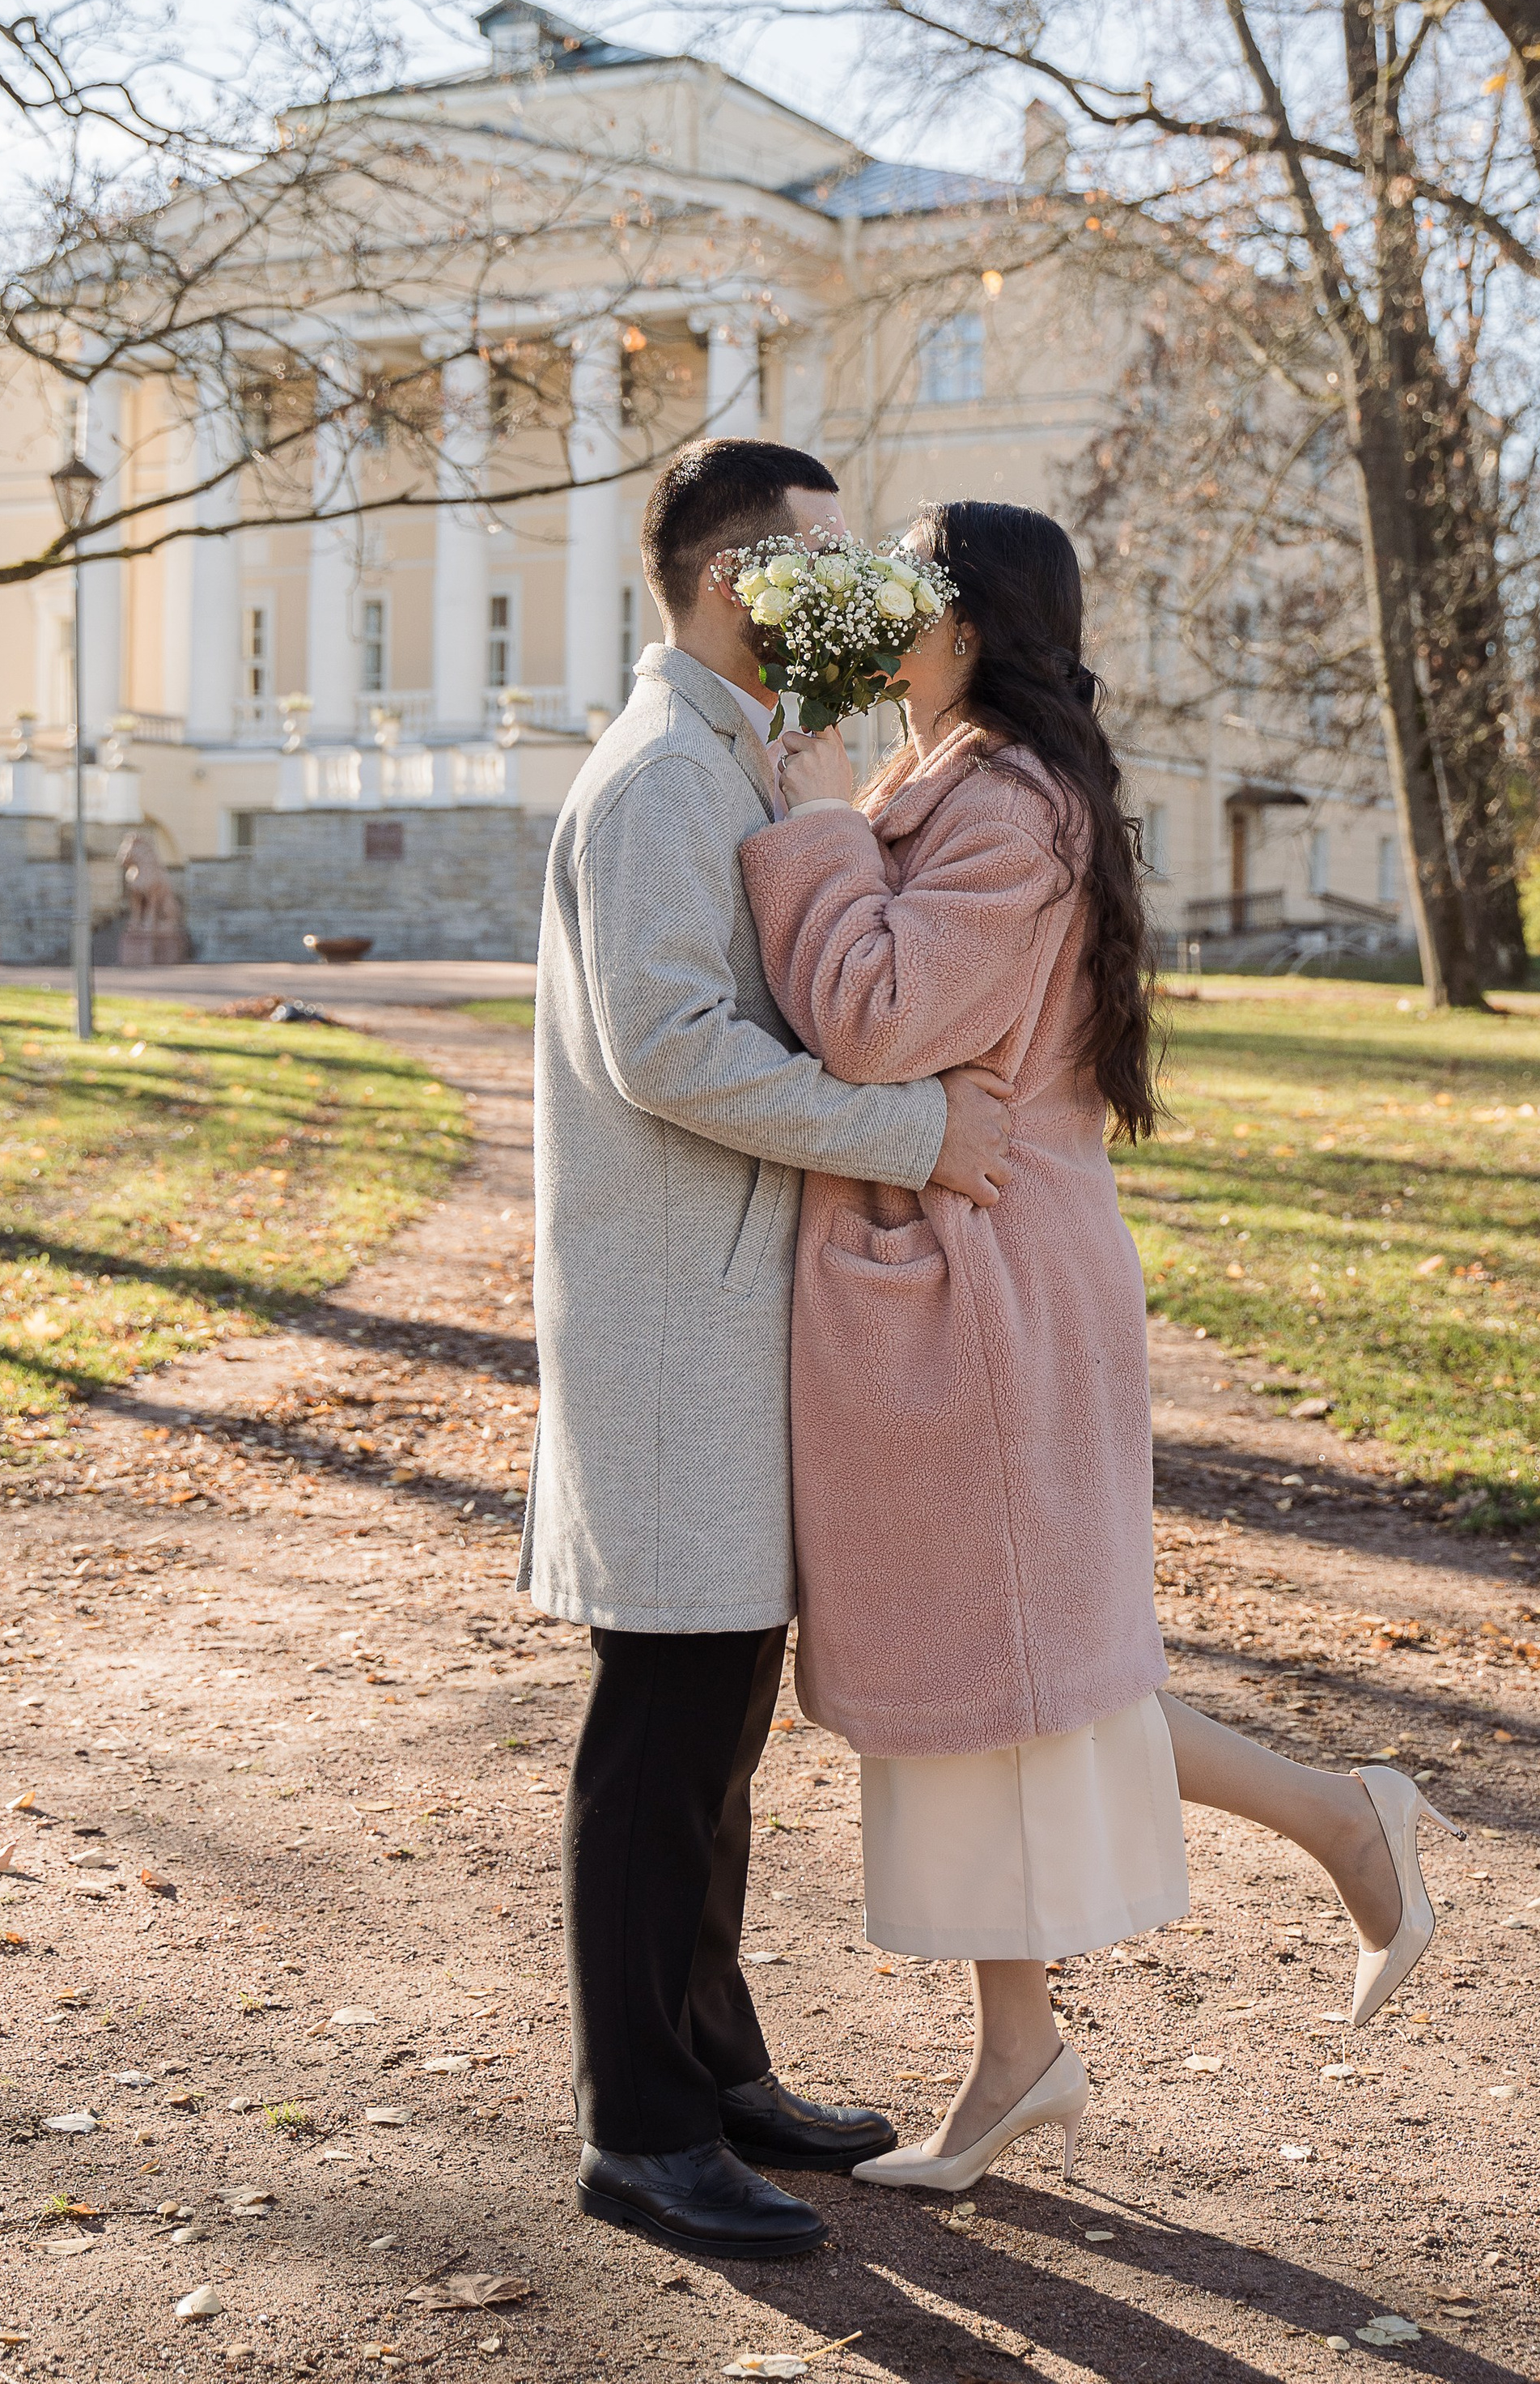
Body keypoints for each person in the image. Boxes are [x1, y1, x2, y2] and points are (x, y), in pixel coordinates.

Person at [740, 499, 1462, 2194]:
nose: (872, 618)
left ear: (969, 620)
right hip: (954, 1270)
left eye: (904, 594)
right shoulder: (961, 780)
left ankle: (1340, 1818)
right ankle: (1020, 2057)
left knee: (1022, 1682)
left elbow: (875, 1020)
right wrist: (840, 815)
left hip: (987, 1288)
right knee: (986, 1685)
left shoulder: (1003, 798)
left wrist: (799, 830)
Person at [517, 438, 1020, 2260]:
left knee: (714, 1725)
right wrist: (908, 1136)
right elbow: (668, 1049)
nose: (865, 599)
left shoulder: (733, 758)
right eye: (827, 564)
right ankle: (638, 2131)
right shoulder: (661, 778)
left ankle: (710, 2068)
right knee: (656, 1736)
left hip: (724, 1325)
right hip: (668, 1334)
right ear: (741, 582)